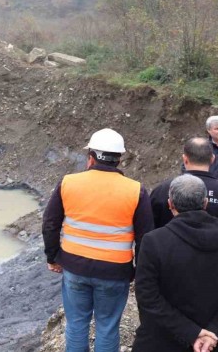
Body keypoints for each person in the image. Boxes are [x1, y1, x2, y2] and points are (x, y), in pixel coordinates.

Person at [42, 128, 153, 352]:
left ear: (90, 157)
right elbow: (145, 238)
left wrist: (53, 257)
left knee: (76, 324)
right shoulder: (135, 190)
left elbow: (50, 224)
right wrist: (138, 271)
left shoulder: (68, 183)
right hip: (114, 272)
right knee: (107, 327)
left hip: (74, 267)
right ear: (119, 159)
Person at [132, 174, 218, 352]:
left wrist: (191, 332)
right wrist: (214, 331)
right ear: (205, 203)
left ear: (170, 205)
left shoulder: (154, 241)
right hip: (215, 342)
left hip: (164, 339)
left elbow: (147, 296)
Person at [151, 137, 218, 239]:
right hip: (216, 252)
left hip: (169, 251)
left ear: (185, 159)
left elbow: (150, 229)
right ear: (212, 159)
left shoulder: (162, 191)